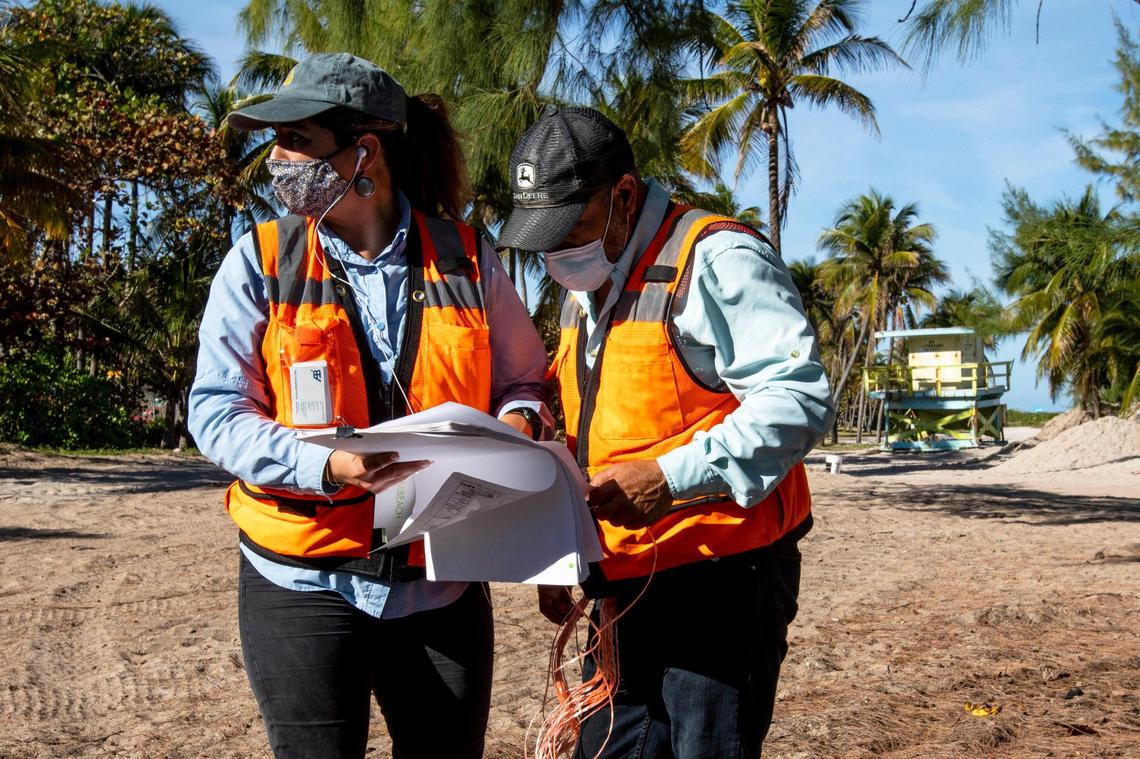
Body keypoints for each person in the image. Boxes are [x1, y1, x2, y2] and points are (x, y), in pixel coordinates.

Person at [188, 53, 552, 759]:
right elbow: (217, 412)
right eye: (275, 141)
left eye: (296, 141)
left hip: (441, 582)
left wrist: (510, 430)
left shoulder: (470, 261)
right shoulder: (260, 261)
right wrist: (325, 466)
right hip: (301, 575)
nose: (278, 159)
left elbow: (525, 383)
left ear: (366, 153)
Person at [497, 107, 834, 758]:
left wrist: (670, 478)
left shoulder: (715, 257)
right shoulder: (587, 282)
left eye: (570, 226)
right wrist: (557, 546)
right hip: (623, 588)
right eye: (542, 237)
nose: (555, 250)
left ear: (623, 195)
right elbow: (600, 425)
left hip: (722, 583)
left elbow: (797, 398)